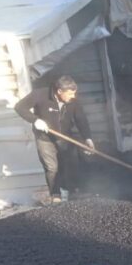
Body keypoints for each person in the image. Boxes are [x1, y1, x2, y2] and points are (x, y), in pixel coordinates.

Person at [14, 75, 94, 203]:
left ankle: (73, 192)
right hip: (44, 138)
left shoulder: (73, 100)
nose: (73, 96)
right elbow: (19, 107)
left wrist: (88, 138)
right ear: (59, 91)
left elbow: (81, 119)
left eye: (74, 93)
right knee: (52, 168)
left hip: (65, 136)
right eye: (70, 94)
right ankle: (55, 196)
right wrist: (35, 120)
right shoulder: (40, 94)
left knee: (70, 164)